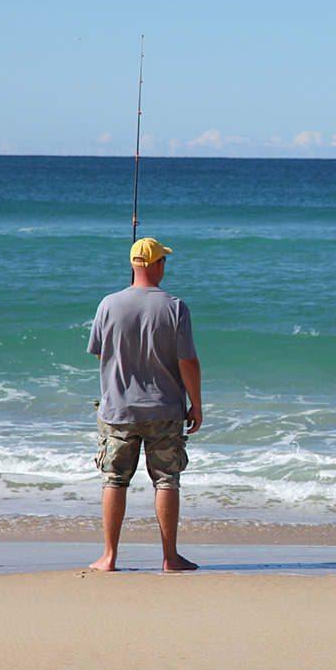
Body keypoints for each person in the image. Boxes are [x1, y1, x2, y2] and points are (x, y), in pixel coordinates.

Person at [87, 237, 202, 572]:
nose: (164, 265)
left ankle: (109, 557)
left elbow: (98, 350)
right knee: (167, 480)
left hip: (118, 410)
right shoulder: (175, 306)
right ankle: (170, 557)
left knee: (115, 479)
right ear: (157, 265)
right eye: (163, 261)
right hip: (164, 410)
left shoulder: (108, 304)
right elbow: (188, 361)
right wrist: (196, 404)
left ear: (133, 265)